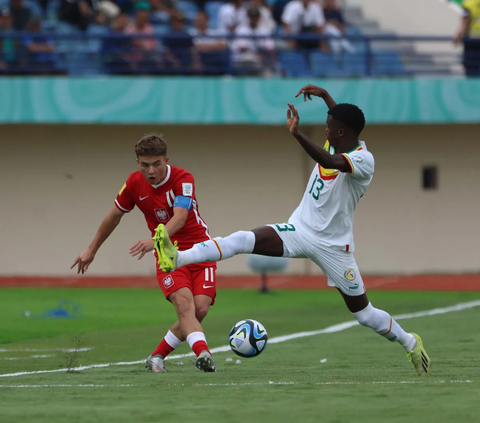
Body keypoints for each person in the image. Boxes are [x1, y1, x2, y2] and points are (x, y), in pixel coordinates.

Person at [154, 85, 432, 377]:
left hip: (334, 247)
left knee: (364, 314)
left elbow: (328, 162)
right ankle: (177, 257)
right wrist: (325, 96)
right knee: (241, 239)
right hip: (298, 229)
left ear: (340, 133)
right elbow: (339, 125)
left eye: (328, 126)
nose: (325, 128)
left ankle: (410, 342)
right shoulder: (338, 139)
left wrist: (297, 134)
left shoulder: (363, 160)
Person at [71, 134, 217, 373]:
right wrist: (91, 249)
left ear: (166, 160)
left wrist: (155, 239)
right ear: (138, 162)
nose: (151, 171)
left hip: (200, 250)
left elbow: (180, 217)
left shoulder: (183, 178)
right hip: (168, 255)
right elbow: (114, 216)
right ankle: (204, 354)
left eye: (157, 164)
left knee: (200, 309)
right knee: (183, 305)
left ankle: (156, 356)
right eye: (145, 165)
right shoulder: (133, 184)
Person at [232, 7, 275, 75]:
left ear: (259, 17)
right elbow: (243, 47)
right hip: (243, 59)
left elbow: (270, 47)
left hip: (260, 60)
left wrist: (263, 53)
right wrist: (258, 54)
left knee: (269, 73)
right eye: (252, 16)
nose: (254, 18)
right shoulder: (241, 30)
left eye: (256, 16)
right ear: (248, 17)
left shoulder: (264, 31)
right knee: (250, 58)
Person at [455, 0, 480, 77]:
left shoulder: (468, 4)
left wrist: (459, 36)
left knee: (471, 69)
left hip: (472, 41)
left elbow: (465, 22)